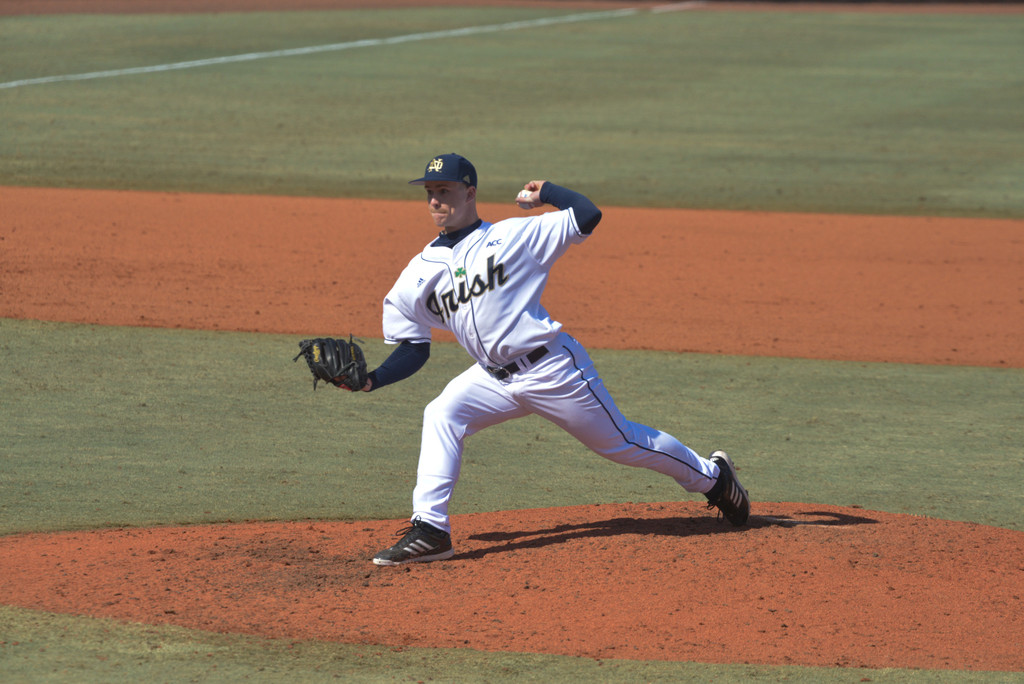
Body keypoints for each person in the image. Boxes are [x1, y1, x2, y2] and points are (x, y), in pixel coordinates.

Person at [356, 153, 750, 566]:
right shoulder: (419, 271)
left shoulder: (514, 237)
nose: (436, 201)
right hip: (492, 379)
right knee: (442, 414)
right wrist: (371, 380)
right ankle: (431, 530)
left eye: (445, 191)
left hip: (551, 370)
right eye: (430, 193)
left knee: (622, 443)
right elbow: (415, 348)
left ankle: (713, 478)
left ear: (469, 193)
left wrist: (547, 192)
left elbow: (587, 214)